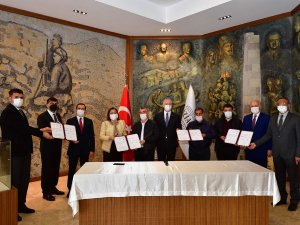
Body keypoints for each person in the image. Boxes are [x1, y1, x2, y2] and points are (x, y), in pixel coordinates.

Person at [0, 88, 52, 222]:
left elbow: (24, 130)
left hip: (24, 152)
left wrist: (40, 129)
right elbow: (22, 129)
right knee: (16, 182)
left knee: (24, 180)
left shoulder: (20, 111)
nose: (20, 99)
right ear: (10, 98)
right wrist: (41, 133)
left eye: (21, 97)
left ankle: (21, 204)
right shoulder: (8, 113)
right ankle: (13, 208)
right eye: (17, 97)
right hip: (15, 152)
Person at [249, 97, 300, 211]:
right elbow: (268, 135)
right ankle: (282, 198)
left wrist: (298, 154)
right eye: (279, 104)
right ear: (277, 106)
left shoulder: (295, 119)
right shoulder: (273, 118)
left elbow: (299, 138)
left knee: (293, 179)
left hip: (291, 154)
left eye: (284, 104)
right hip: (277, 154)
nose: (281, 106)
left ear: (288, 105)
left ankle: (294, 201)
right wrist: (255, 144)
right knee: (279, 178)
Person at [37, 97, 64, 201]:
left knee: (55, 167)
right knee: (47, 168)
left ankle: (53, 187)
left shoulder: (57, 115)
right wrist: (55, 128)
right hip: (47, 146)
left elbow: (59, 129)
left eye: (56, 103)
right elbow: (42, 129)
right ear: (47, 104)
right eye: (52, 103)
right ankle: (46, 191)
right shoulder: (42, 116)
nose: (54, 104)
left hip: (57, 145)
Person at [66, 103, 95, 197]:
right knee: (71, 170)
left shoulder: (89, 121)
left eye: (82, 108)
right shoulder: (70, 121)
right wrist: (71, 140)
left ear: (85, 110)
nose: (81, 110)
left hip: (85, 150)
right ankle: (70, 189)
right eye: (79, 108)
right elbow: (67, 134)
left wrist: (92, 150)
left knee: (84, 170)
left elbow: (92, 137)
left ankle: (84, 188)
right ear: (76, 109)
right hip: (73, 150)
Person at [242, 100, 271, 167]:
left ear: (260, 106)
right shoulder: (246, 118)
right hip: (248, 149)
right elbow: (243, 132)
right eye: (252, 106)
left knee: (261, 169)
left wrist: (269, 148)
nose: (253, 107)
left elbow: (269, 134)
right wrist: (242, 143)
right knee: (249, 169)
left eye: (255, 106)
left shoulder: (267, 118)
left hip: (261, 149)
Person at [154, 97, 181, 162]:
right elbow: (154, 129)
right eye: (166, 104)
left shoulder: (176, 116)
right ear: (163, 105)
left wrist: (178, 130)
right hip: (160, 143)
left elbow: (179, 127)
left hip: (172, 143)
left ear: (172, 105)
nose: (168, 105)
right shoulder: (157, 116)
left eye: (170, 104)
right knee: (161, 162)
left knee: (171, 162)